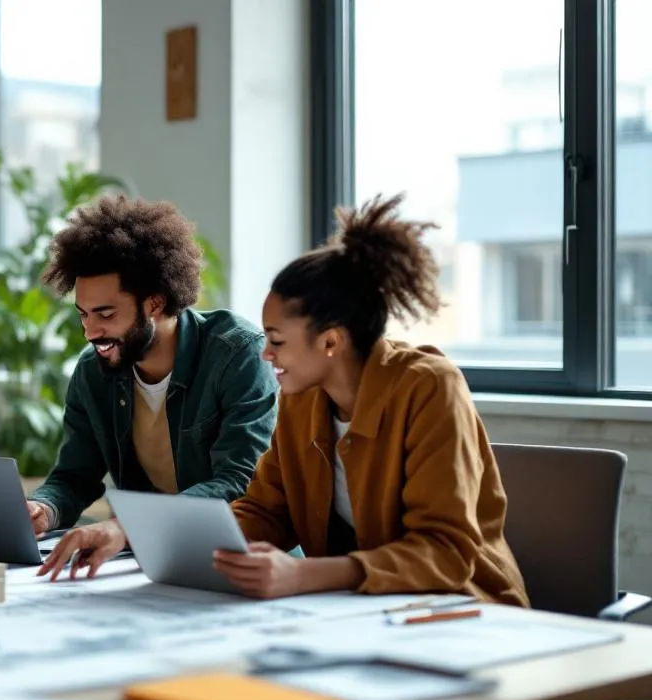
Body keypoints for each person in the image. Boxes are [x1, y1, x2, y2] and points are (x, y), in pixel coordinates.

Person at [212, 194, 528, 607]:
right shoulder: (301, 397)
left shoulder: (429, 387)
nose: (265, 354)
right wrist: (193, 546)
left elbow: (446, 554)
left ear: (330, 341)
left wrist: (304, 574)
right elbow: (268, 510)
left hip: (460, 611)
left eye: (276, 341)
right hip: (352, 611)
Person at [34, 197, 279, 580]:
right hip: (151, 565)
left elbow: (239, 481)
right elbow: (74, 476)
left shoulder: (237, 354)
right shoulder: (92, 373)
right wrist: (43, 508)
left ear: (154, 302)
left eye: (106, 314)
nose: (90, 332)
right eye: (83, 314)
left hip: (244, 562)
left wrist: (129, 527)